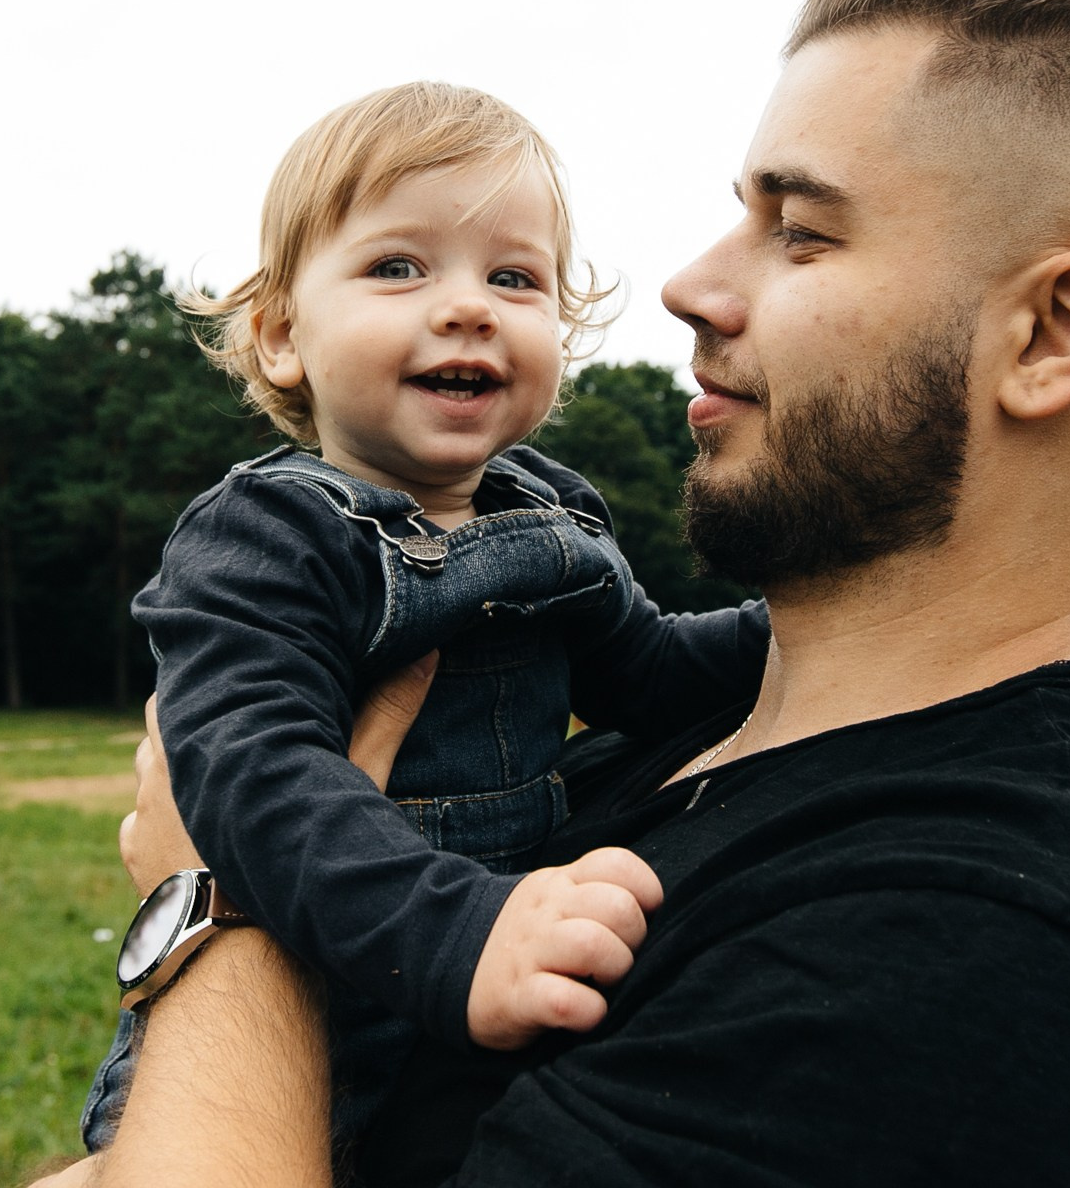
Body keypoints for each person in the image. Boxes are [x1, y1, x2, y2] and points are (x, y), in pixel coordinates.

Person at [49, 0, 1070, 1187]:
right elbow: (656, 669)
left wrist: (209, 906)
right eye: (743, 214)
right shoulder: (682, 758)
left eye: (804, 231)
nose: (681, 286)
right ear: (283, 333)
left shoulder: (966, 978)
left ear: (1052, 332)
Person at [75, 83, 769, 1153]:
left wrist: (810, 623)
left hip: (495, 996)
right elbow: (259, 781)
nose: (467, 305)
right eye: (398, 267)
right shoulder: (267, 534)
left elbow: (651, 675)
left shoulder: (554, 515)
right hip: (311, 1014)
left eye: (514, 276)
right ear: (279, 337)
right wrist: (458, 932)